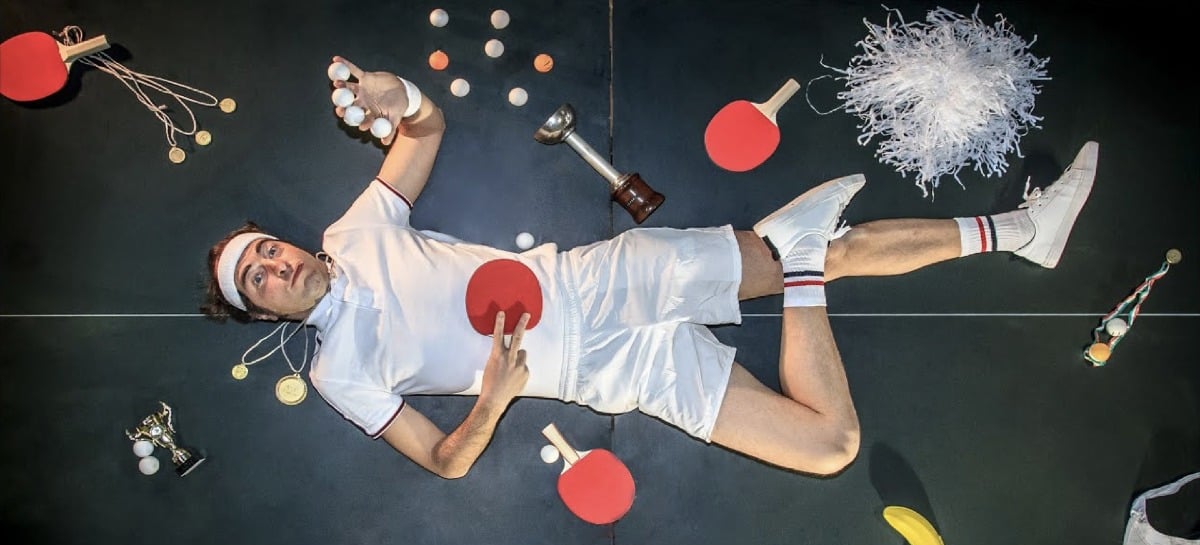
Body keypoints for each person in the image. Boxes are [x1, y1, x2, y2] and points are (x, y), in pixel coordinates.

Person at [202, 56, 1099, 480]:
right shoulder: (338, 372)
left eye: (267, 248)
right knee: (830, 448)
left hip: (601, 280)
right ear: (262, 312)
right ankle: (798, 262)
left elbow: (425, 129)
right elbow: (443, 459)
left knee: (839, 249)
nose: (274, 263)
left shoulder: (356, 229)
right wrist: (493, 397)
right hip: (607, 370)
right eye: (257, 278)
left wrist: (396, 95)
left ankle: (1023, 229)